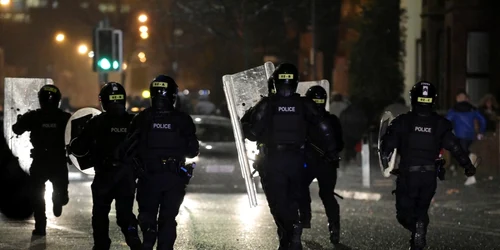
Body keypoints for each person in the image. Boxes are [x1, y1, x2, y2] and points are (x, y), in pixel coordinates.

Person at [241, 63, 339, 250]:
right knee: (293, 199)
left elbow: (252, 134)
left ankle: (291, 230)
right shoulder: (304, 105)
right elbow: (323, 128)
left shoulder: (267, 104)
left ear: (276, 82)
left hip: (273, 161)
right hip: (297, 160)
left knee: (277, 202)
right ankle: (288, 237)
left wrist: (245, 122)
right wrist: (331, 151)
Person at [380, 81, 477, 250]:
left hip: (408, 175)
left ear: (413, 98)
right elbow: (455, 147)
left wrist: (385, 159)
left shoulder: (403, 121)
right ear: (433, 100)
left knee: (403, 214)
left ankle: (417, 230)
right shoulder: (440, 123)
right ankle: (418, 236)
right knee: (421, 210)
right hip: (429, 176)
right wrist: (467, 165)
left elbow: (388, 144)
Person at [121, 75, 199, 250]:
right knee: (168, 220)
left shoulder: (141, 119)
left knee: (147, 214)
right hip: (174, 178)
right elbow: (193, 150)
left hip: (148, 177)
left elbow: (128, 149)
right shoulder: (182, 119)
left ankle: (149, 234)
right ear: (172, 95)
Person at [69, 82, 141, 250]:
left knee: (100, 214)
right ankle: (134, 239)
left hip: (104, 176)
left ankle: (101, 245)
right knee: (125, 215)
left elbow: (80, 148)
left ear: (103, 101)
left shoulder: (96, 122)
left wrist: (72, 144)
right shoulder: (134, 122)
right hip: (127, 177)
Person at [12, 85, 71, 236]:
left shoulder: (33, 117)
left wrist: (21, 120)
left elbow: (16, 129)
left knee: (37, 195)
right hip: (58, 162)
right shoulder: (65, 118)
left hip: (40, 161)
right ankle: (58, 201)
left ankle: (40, 226)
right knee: (60, 193)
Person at [299, 85, 344, 246]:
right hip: (326, 164)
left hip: (311, 163)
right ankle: (334, 226)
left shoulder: (304, 120)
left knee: (301, 188)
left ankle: (305, 217)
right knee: (327, 195)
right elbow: (340, 144)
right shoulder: (332, 120)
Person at [446, 91, 486, 185]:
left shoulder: (454, 110)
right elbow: (483, 120)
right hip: (470, 136)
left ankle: (470, 175)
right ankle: (466, 163)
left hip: (459, 136)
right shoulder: (473, 109)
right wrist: (481, 132)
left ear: (457, 99)